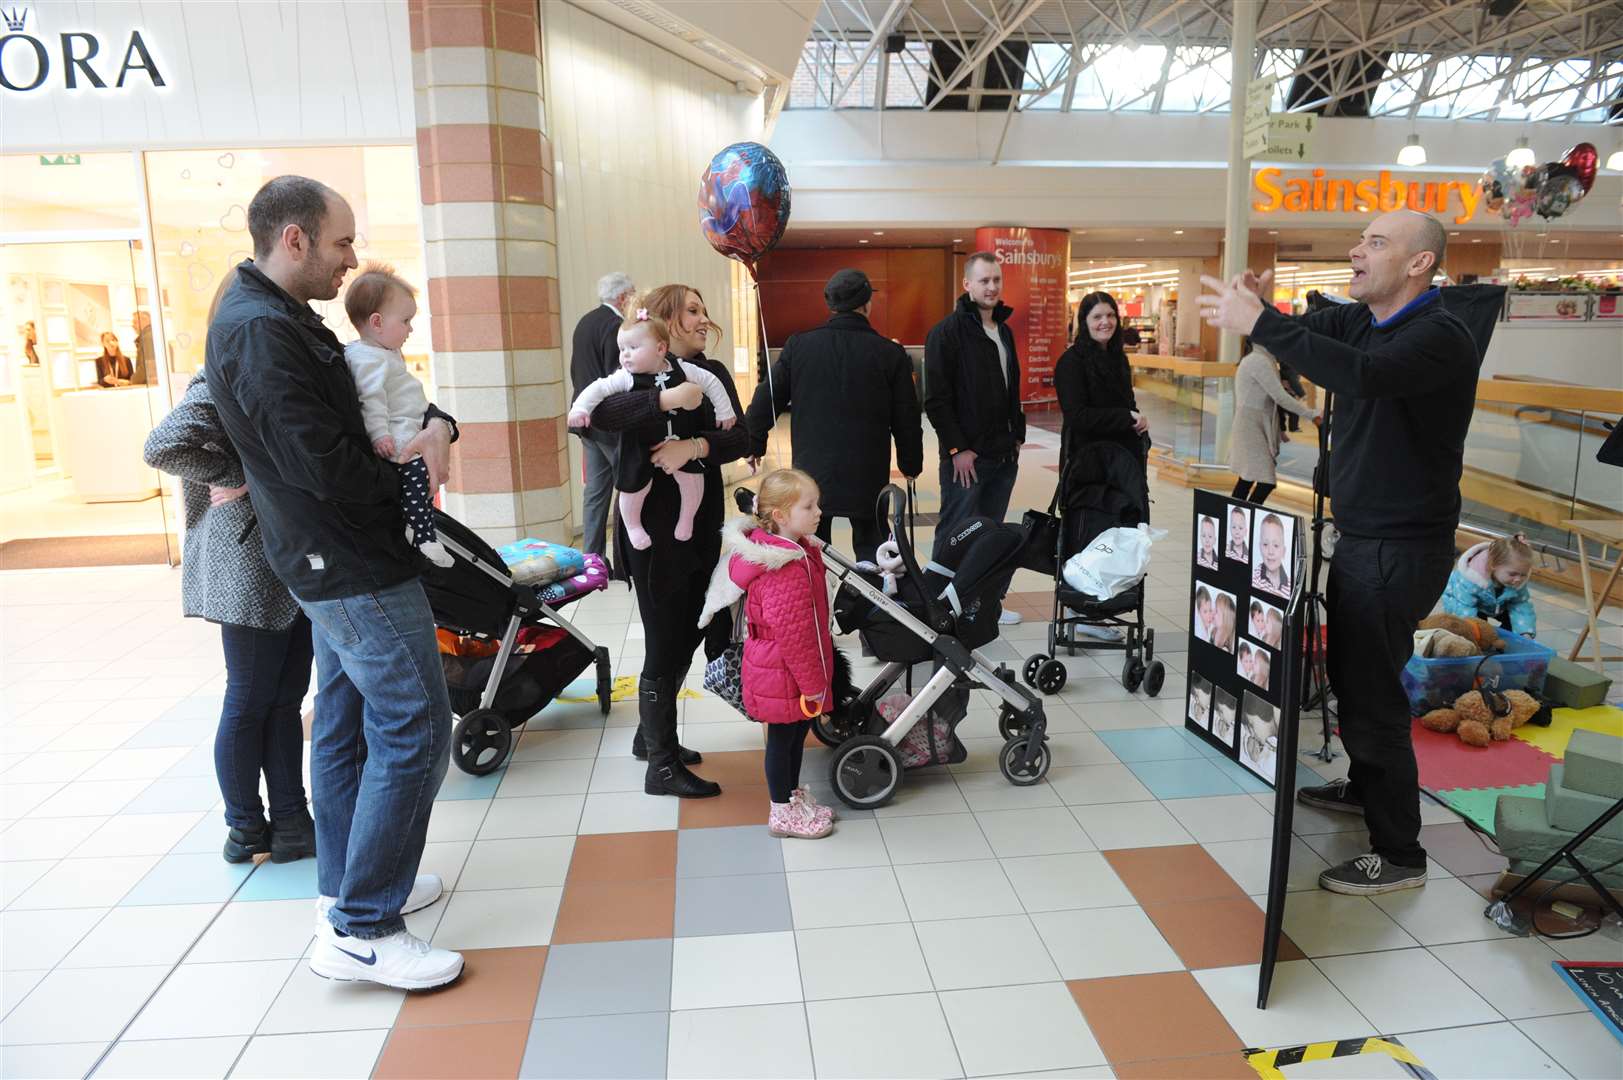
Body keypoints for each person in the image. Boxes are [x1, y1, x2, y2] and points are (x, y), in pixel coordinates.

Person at [205, 175, 462, 989]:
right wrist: (412, 480)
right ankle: (361, 925)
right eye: (342, 242)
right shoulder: (258, 330)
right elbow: (323, 462)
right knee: (419, 723)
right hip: (346, 558)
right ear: (294, 239)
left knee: (347, 725)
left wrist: (431, 431)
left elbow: (350, 422)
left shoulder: (279, 318)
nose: (352, 261)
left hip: (342, 553)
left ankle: (345, 888)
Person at [1199, 208, 1479, 896]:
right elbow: (1309, 344)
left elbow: (1360, 376)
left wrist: (1259, 321)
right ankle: (1364, 789)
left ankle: (1399, 853)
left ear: (1418, 263)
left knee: (1370, 696)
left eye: (1375, 242)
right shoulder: (1365, 318)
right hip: (1363, 538)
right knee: (1356, 680)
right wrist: (1262, 308)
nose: (1356, 249)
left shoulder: (1438, 335)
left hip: (1398, 548)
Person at [143, 281, 316, 866]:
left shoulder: (253, 367)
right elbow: (163, 444)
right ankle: (245, 826)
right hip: (245, 560)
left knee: (285, 698)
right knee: (249, 698)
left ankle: (292, 819)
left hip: (283, 557)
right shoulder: (216, 374)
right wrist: (241, 472)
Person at [585, 283, 748, 786]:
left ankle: (650, 737)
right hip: (650, 535)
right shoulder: (627, 379)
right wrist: (665, 400)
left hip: (699, 524)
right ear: (662, 324)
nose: (704, 320)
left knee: (693, 627)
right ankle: (661, 765)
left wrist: (694, 446)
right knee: (664, 638)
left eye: (704, 309)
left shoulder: (711, 373)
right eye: (692, 312)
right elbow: (595, 418)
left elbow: (741, 436)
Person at [744, 269, 923, 563]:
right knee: (872, 545)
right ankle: (871, 604)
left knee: (812, 544)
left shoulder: (799, 346)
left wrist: (754, 442)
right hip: (867, 472)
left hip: (812, 471)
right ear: (867, 304)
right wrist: (911, 464)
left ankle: (818, 601)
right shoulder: (889, 354)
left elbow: (768, 396)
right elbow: (907, 418)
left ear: (831, 306)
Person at [701, 469, 836, 839]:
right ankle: (781, 810)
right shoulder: (783, 568)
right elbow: (795, 635)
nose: (819, 512)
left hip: (781, 664)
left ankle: (791, 799)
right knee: (783, 738)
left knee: (794, 735)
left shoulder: (791, 550)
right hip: (784, 667)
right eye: (809, 506)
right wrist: (813, 684)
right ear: (779, 515)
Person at [569, 305, 736, 549]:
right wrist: (580, 408)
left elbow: (711, 382)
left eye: (633, 348)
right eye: (622, 349)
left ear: (660, 348)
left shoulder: (682, 369)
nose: (624, 355)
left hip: (680, 440)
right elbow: (598, 389)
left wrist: (725, 411)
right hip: (641, 446)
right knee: (632, 486)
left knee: (692, 479)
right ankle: (633, 526)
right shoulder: (625, 376)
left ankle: (687, 518)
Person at [924, 252, 1026, 624]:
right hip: (967, 458)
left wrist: (1018, 434)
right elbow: (937, 400)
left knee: (992, 536)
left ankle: (986, 605)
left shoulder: (1004, 331)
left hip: (1003, 456)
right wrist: (957, 448)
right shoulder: (946, 333)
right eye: (984, 280)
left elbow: (1010, 389)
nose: (992, 287)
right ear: (966, 284)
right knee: (955, 534)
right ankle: (935, 606)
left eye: (996, 280)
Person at [342, 264, 452, 568]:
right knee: (417, 476)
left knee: (423, 481)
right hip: (397, 437)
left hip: (409, 426)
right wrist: (380, 435)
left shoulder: (382, 352)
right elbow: (370, 400)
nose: (411, 329)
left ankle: (417, 524)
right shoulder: (366, 359)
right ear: (377, 322)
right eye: (405, 321)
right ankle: (422, 534)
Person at [572, 272, 636, 559]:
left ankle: (592, 558)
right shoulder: (615, 326)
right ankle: (625, 557)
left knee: (596, 494)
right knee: (628, 487)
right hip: (609, 424)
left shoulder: (585, 321)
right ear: (622, 298)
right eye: (632, 295)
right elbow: (618, 379)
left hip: (587, 423)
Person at [1229, 341, 1319, 505]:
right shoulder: (1259, 361)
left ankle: (1235, 520)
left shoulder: (1263, 359)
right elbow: (1279, 397)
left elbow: (1270, 397)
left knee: (1247, 478)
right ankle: (1244, 519)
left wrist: (1279, 429)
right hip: (1251, 426)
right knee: (1265, 480)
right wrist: (1311, 414)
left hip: (1253, 424)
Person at [1442, 534, 1536, 637]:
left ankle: (1506, 641)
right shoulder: (1470, 579)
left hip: (1494, 604)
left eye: (1523, 574)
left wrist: (1525, 632)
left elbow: (1521, 605)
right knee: (1476, 628)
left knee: (1516, 621)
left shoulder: (1517, 581)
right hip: (1459, 602)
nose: (1518, 579)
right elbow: (1464, 608)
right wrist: (1474, 632)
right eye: (1512, 574)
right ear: (1494, 566)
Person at [1251, 512, 1292, 600]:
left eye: (1276, 545)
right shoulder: (1253, 579)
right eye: (1265, 544)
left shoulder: (1290, 585)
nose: (1270, 551)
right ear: (1260, 547)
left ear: (1284, 551)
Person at [131, 310, 156, 384]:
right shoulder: (154, 335)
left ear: (145, 321)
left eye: (135, 322)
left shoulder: (147, 338)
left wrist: (132, 381)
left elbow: (146, 368)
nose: (132, 326)